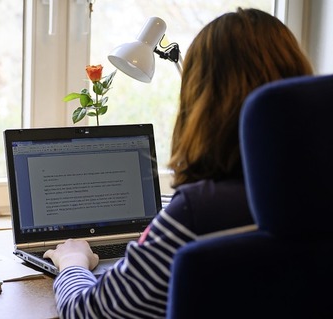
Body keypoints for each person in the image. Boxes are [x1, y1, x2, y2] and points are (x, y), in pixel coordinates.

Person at [43, 7, 313, 318]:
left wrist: (72, 261)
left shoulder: (196, 217)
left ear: (203, 101)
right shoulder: (315, 196)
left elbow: (86, 312)